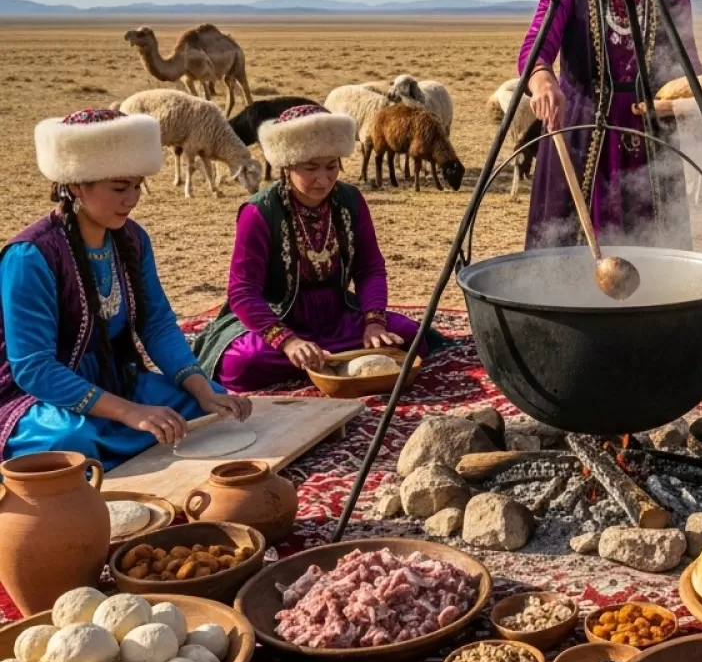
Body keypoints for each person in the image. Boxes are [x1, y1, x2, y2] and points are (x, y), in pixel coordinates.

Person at [0, 108, 249, 469]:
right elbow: (34, 369)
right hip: (39, 395)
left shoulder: (132, 239)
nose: (132, 199)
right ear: (75, 184)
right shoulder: (30, 257)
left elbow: (157, 323)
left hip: (113, 377)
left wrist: (200, 387)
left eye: (136, 186)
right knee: (71, 442)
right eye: (119, 188)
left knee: (207, 404)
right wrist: (130, 413)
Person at [519, 0, 702, 250]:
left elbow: (688, 62)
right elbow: (535, 51)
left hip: (651, 132)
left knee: (655, 245)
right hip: (579, 128)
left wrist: (688, 99)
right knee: (568, 248)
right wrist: (543, 81)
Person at [194, 106, 434, 390]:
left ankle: (325, 359)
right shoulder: (258, 212)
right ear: (288, 164)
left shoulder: (350, 200)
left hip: (338, 315)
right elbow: (242, 292)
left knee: (410, 336)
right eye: (311, 168)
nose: (323, 179)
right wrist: (288, 342)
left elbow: (370, 268)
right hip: (279, 317)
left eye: (331, 166)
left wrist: (374, 323)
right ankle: (327, 359)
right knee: (242, 364)